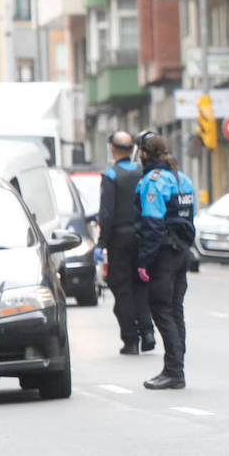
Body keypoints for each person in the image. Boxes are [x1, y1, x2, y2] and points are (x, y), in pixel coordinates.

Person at [134, 132, 196, 391]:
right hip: (181, 252)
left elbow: (152, 225)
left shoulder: (153, 181)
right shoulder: (182, 179)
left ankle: (174, 371)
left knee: (161, 309)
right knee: (175, 310)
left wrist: (144, 261)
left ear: (144, 154)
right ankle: (175, 367)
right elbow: (188, 219)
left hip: (163, 254)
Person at [97, 131, 156, 356]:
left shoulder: (111, 175)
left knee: (122, 289)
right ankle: (148, 332)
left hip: (119, 240)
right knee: (141, 285)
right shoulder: (143, 173)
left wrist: (101, 244)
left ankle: (131, 339)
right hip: (141, 237)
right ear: (132, 149)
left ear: (113, 149)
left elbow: (107, 214)